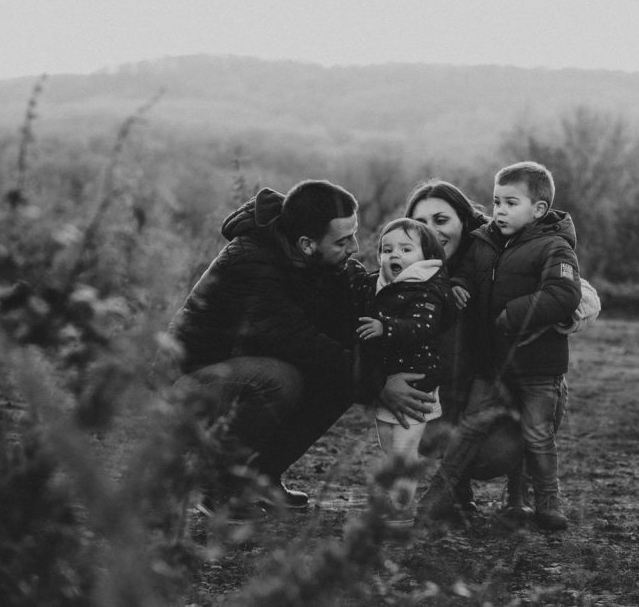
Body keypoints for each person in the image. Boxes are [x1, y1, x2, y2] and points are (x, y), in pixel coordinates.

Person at [169, 180, 434, 518]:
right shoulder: (251, 262)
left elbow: (350, 327)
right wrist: (381, 386)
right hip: (193, 381)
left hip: (245, 369)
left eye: (353, 234)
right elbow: (298, 342)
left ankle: (260, 478)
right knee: (282, 380)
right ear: (307, 244)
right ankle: (220, 488)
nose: (354, 247)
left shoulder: (320, 262)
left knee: (340, 379)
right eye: (342, 241)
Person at [419, 162, 581, 531]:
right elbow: (471, 275)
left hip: (538, 368)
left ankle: (545, 501)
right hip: (491, 365)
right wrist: (460, 284)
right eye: (496, 202)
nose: (501, 211)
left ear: (538, 209)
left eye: (511, 203)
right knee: (470, 428)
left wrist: (514, 314)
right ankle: (438, 495)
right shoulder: (485, 242)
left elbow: (565, 293)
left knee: (539, 434)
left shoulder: (554, 247)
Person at [353, 217, 455, 526]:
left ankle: (401, 509)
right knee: (388, 445)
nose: (394, 255)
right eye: (387, 249)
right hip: (386, 381)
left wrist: (386, 327)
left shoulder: (428, 290)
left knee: (403, 450)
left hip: (417, 385)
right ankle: (393, 498)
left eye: (405, 248)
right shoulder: (382, 286)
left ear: (426, 257)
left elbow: (422, 328)